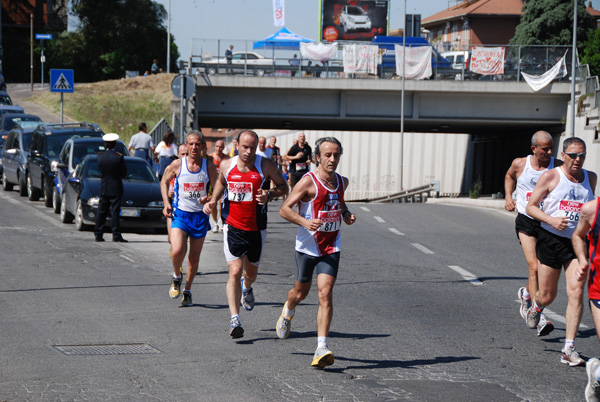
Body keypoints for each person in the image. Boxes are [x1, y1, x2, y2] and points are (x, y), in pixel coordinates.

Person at [276, 137, 356, 368]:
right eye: (328, 155)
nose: (332, 159)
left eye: (336, 155)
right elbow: (284, 210)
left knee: (325, 293)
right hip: (307, 247)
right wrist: (304, 221)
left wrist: (346, 214)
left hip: (331, 246)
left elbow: (338, 203)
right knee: (299, 293)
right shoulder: (307, 182)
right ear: (317, 158)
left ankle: (321, 347)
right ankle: (288, 310)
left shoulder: (343, 182)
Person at [203, 130, 288, 339]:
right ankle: (235, 319)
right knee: (234, 270)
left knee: (250, 274)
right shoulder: (226, 164)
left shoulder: (265, 165)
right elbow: (221, 183)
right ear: (237, 145)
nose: (249, 151)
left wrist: (269, 194)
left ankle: (247, 287)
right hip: (232, 226)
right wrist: (213, 200)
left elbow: (284, 187)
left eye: (252, 147)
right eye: (245, 147)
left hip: (257, 228)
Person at [525, 137, 597, 366]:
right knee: (548, 295)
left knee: (576, 292)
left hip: (578, 243)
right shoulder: (551, 176)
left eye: (582, 155)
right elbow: (531, 207)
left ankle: (569, 348)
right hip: (551, 238)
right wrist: (552, 220)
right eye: (573, 155)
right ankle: (535, 306)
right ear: (563, 155)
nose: (578, 160)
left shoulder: (590, 178)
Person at [504, 131, 561, 336]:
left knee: (542, 270)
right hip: (526, 221)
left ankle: (526, 294)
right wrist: (509, 196)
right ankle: (539, 315)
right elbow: (509, 176)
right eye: (544, 148)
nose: (549, 152)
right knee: (533, 265)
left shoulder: (558, 166)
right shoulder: (520, 164)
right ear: (533, 149)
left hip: (547, 223)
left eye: (551, 147)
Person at [161, 131, 217, 306]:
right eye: (191, 144)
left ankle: (187, 289)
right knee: (177, 250)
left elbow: (218, 189)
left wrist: (209, 199)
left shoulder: (209, 166)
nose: (194, 147)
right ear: (186, 145)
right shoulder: (178, 164)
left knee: (193, 258)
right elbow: (163, 182)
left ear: (202, 147)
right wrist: (166, 203)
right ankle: (177, 276)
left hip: (200, 217)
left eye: (197, 144)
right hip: (180, 214)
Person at [94, 133, 128, 243]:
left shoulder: (100, 156)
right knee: (115, 212)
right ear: (115, 145)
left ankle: (98, 233)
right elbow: (123, 173)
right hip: (115, 187)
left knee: (101, 211)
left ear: (105, 144)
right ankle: (116, 235)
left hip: (104, 186)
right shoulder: (119, 157)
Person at [166, 144, 189, 248]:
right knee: (172, 239)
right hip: (172, 208)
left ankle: (179, 257)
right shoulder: (172, 167)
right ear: (177, 154)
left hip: (187, 209)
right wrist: (168, 193)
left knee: (181, 240)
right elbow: (164, 184)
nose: (185, 156)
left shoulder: (194, 169)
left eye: (187, 154)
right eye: (182, 154)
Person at [209, 139, 230, 233]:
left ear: (223, 148)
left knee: (222, 202)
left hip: (223, 183)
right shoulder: (211, 158)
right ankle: (215, 222)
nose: (218, 148)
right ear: (215, 147)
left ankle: (221, 220)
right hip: (213, 183)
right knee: (213, 203)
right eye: (217, 146)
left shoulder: (227, 158)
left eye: (221, 147)